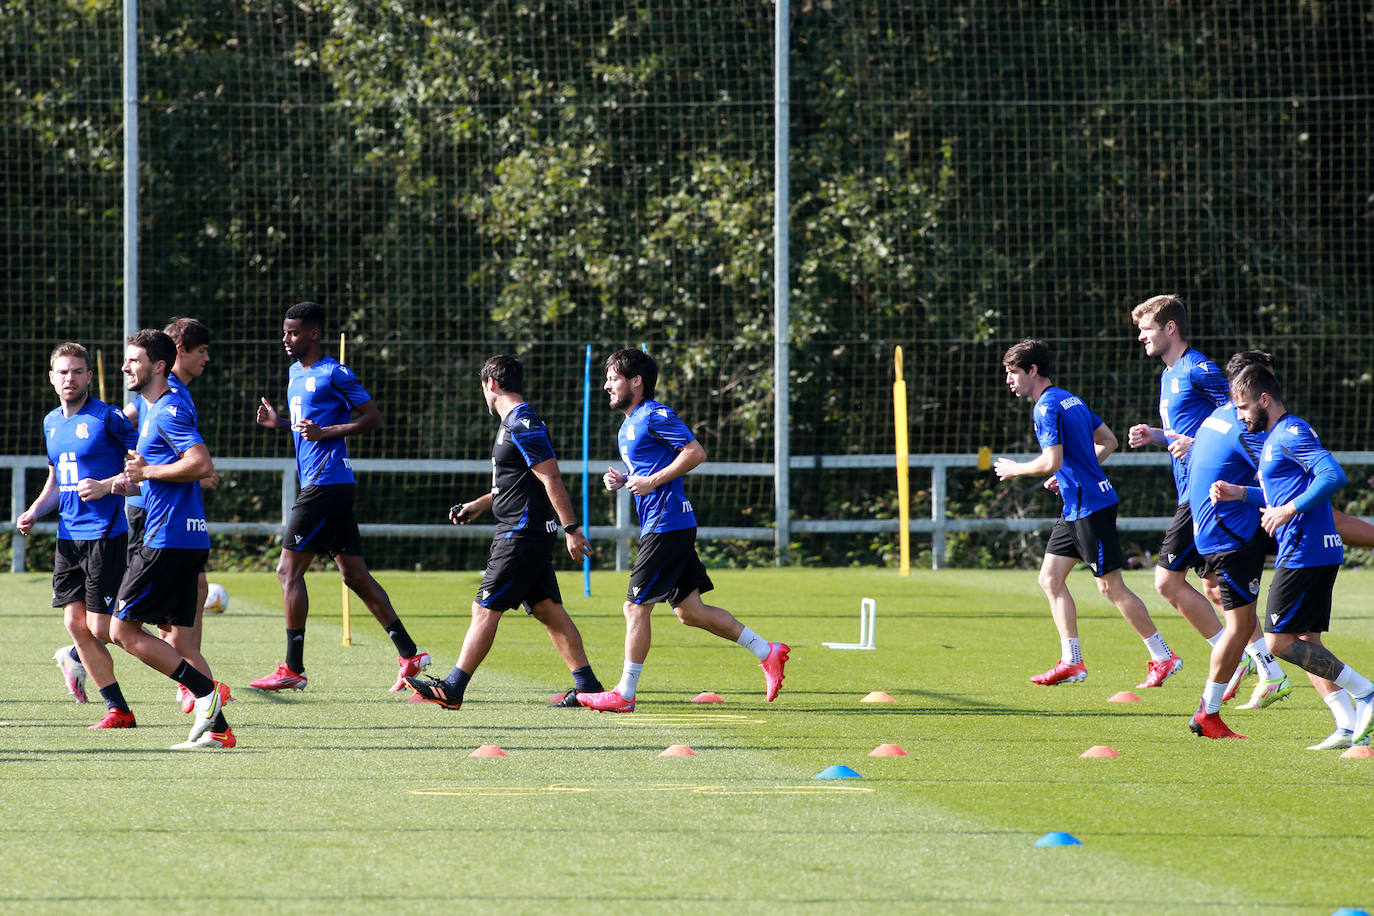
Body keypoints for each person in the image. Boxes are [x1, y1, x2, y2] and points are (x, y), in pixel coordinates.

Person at [576, 348, 789, 712]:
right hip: (668, 523)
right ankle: (767, 651)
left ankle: (625, 694)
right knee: (690, 611)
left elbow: (694, 451)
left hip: (667, 524)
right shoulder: (628, 424)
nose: (606, 386)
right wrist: (626, 480)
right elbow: (651, 471)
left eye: (613, 378)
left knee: (634, 607)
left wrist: (652, 480)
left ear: (636, 382)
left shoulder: (655, 414)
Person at [404, 355, 606, 709]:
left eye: (482, 387)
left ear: (491, 384)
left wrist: (572, 528)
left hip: (521, 534)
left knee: (484, 608)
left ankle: (453, 688)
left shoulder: (523, 422)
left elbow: (550, 476)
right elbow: (515, 482)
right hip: (523, 531)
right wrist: (480, 504)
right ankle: (588, 686)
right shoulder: (510, 423)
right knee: (547, 609)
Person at [251, 301, 429, 692]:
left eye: (293, 332)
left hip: (326, 484)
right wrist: (279, 423)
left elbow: (372, 418)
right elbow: (305, 429)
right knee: (354, 575)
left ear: (314, 334)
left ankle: (293, 668)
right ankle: (409, 653)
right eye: (285, 331)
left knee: (287, 571)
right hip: (324, 483)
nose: (286, 339)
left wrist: (327, 433)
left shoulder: (335, 372)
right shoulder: (294, 373)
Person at [993, 339, 1177, 687]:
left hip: (1090, 508)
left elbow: (1053, 460)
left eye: (1013, 372)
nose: (1009, 380)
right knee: (1050, 579)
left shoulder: (1046, 407)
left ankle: (1163, 655)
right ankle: (1072, 662)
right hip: (1078, 503)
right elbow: (1108, 441)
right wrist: (1069, 476)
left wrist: (1016, 469)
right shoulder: (1070, 398)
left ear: (1032, 370)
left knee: (1111, 587)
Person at [1213, 364, 1374, 748]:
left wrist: (1289, 511)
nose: (1239, 415)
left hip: (1306, 550)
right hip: (1310, 549)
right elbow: (1281, 494)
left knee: (1278, 642)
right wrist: (1243, 493)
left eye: (1243, 407)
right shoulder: (1274, 438)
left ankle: (1367, 693)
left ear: (1264, 400)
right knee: (1307, 640)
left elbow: (1333, 475)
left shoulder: (1290, 432)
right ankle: (1348, 725)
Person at [111, 329, 233, 750]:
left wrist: (145, 473)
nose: (126, 366)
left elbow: (200, 463)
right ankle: (217, 730)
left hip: (168, 538)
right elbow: (164, 472)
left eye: (134, 360)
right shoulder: (152, 409)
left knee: (122, 630)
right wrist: (130, 481)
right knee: (176, 638)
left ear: (159, 365)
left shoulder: (168, 408)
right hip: (183, 536)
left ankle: (204, 690)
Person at [17, 343, 140, 728]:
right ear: (52, 377)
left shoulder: (109, 418)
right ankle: (118, 709)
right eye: (63, 372)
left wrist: (107, 486)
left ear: (89, 376)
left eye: (77, 371)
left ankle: (185, 674)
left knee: (103, 628)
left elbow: (144, 474)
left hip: (105, 535)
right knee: (75, 624)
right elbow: (57, 479)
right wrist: (35, 511)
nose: (70, 378)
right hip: (68, 538)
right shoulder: (51, 422)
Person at [1181, 354, 1290, 739]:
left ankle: (1267, 677)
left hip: (1208, 531)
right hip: (1234, 535)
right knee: (1240, 625)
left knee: (1236, 618)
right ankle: (1208, 713)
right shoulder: (1248, 431)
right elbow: (1281, 487)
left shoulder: (1216, 417)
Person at [1127, 295, 1231, 679]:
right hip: (1191, 490)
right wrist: (1156, 435)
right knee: (1217, 588)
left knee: (1167, 582)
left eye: (1146, 329)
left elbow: (1239, 420)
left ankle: (1231, 656)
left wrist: (1198, 444)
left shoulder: (1200, 368)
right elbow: (1187, 431)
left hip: (1204, 493)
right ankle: (1265, 668)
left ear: (1170, 328)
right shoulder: (1168, 374)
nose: (1141, 337)